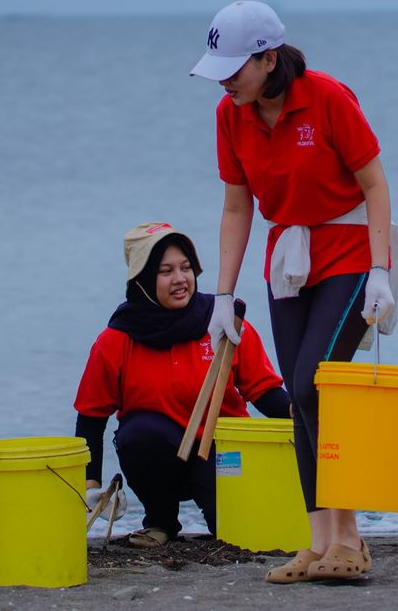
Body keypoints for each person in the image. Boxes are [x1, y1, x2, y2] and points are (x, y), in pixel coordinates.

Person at [190, 1, 398, 583]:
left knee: (315, 384)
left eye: (236, 68)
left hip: (352, 248)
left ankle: (351, 539)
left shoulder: (328, 96)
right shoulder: (230, 115)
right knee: (299, 398)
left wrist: (380, 271)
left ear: (269, 58)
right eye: (220, 69)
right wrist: (222, 297)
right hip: (289, 261)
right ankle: (316, 542)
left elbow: (376, 184)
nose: (226, 80)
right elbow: (237, 207)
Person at [74, 222, 290, 547]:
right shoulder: (116, 339)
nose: (180, 279)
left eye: (186, 268)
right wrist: (91, 488)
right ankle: (160, 521)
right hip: (159, 456)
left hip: (222, 458)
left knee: (238, 536)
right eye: (165, 271)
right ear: (143, 279)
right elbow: (90, 418)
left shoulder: (221, 322)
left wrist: (306, 416)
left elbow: (264, 391)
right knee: (137, 434)